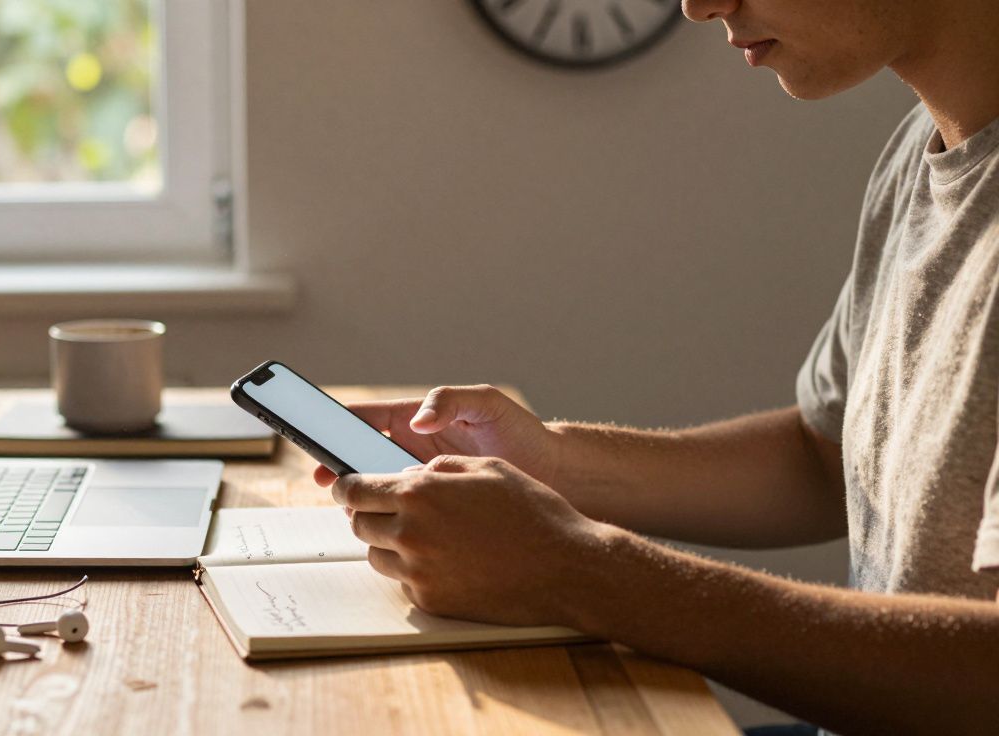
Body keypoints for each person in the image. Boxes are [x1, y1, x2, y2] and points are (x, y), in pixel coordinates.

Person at [315, 0, 999, 733]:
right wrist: (553, 463)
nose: (698, 5)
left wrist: (581, 575)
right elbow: (826, 459)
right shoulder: (920, 152)